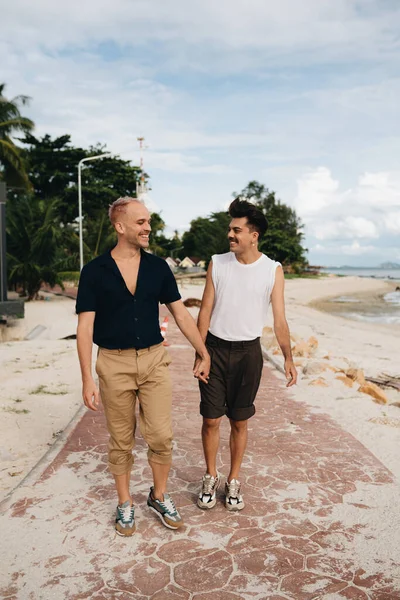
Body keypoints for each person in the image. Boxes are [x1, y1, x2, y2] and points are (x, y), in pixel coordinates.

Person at [76, 197, 210, 536]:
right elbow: (85, 327)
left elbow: (180, 313)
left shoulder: (158, 268)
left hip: (153, 360)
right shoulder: (94, 271)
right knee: (120, 441)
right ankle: (125, 503)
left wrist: (202, 351)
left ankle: (159, 496)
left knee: (162, 436)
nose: (148, 227)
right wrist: (86, 379)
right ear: (120, 226)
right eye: (140, 222)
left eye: (148, 221)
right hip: (113, 363)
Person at [195, 198, 297, 511]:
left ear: (254, 235)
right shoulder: (218, 262)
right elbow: (206, 309)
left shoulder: (272, 270)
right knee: (211, 419)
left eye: (236, 230)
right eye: (230, 229)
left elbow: (279, 319)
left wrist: (288, 358)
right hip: (214, 348)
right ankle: (210, 475)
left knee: (239, 422)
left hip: (249, 354)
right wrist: (201, 353)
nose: (230, 234)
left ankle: (233, 479)